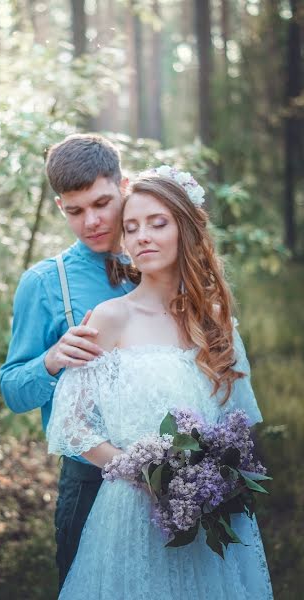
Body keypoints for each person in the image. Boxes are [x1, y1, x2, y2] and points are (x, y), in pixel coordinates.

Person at [46, 166, 274, 599]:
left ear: (185, 230)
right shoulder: (112, 318)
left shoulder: (216, 321)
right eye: (131, 228)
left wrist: (210, 478)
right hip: (132, 512)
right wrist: (147, 471)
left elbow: (239, 422)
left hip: (210, 508)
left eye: (157, 223)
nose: (142, 236)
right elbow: (71, 425)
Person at [0, 134, 135, 590]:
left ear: (124, 187)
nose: (92, 222)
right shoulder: (43, 282)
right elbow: (13, 390)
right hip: (90, 481)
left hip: (177, 469)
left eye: (102, 203)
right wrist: (52, 360)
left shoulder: (164, 263)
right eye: (74, 211)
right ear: (60, 206)